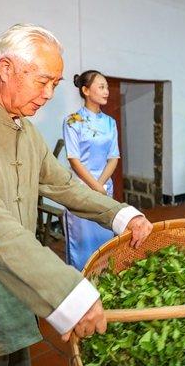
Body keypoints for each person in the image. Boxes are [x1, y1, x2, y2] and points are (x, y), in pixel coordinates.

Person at [0, 23, 153, 365]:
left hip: (16, 299)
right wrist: (69, 293)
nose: (48, 94)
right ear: (6, 68)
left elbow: (62, 184)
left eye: (55, 84)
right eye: (42, 81)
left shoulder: (24, 129)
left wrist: (123, 214)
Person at [62, 70, 121, 271]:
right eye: (101, 87)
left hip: (104, 189)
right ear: (86, 90)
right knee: (82, 245)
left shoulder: (110, 123)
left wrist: (102, 185)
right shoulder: (72, 121)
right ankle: (81, 288)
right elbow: (73, 158)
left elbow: (114, 157)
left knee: (104, 240)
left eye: (106, 87)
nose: (106, 91)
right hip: (81, 190)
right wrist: (94, 185)